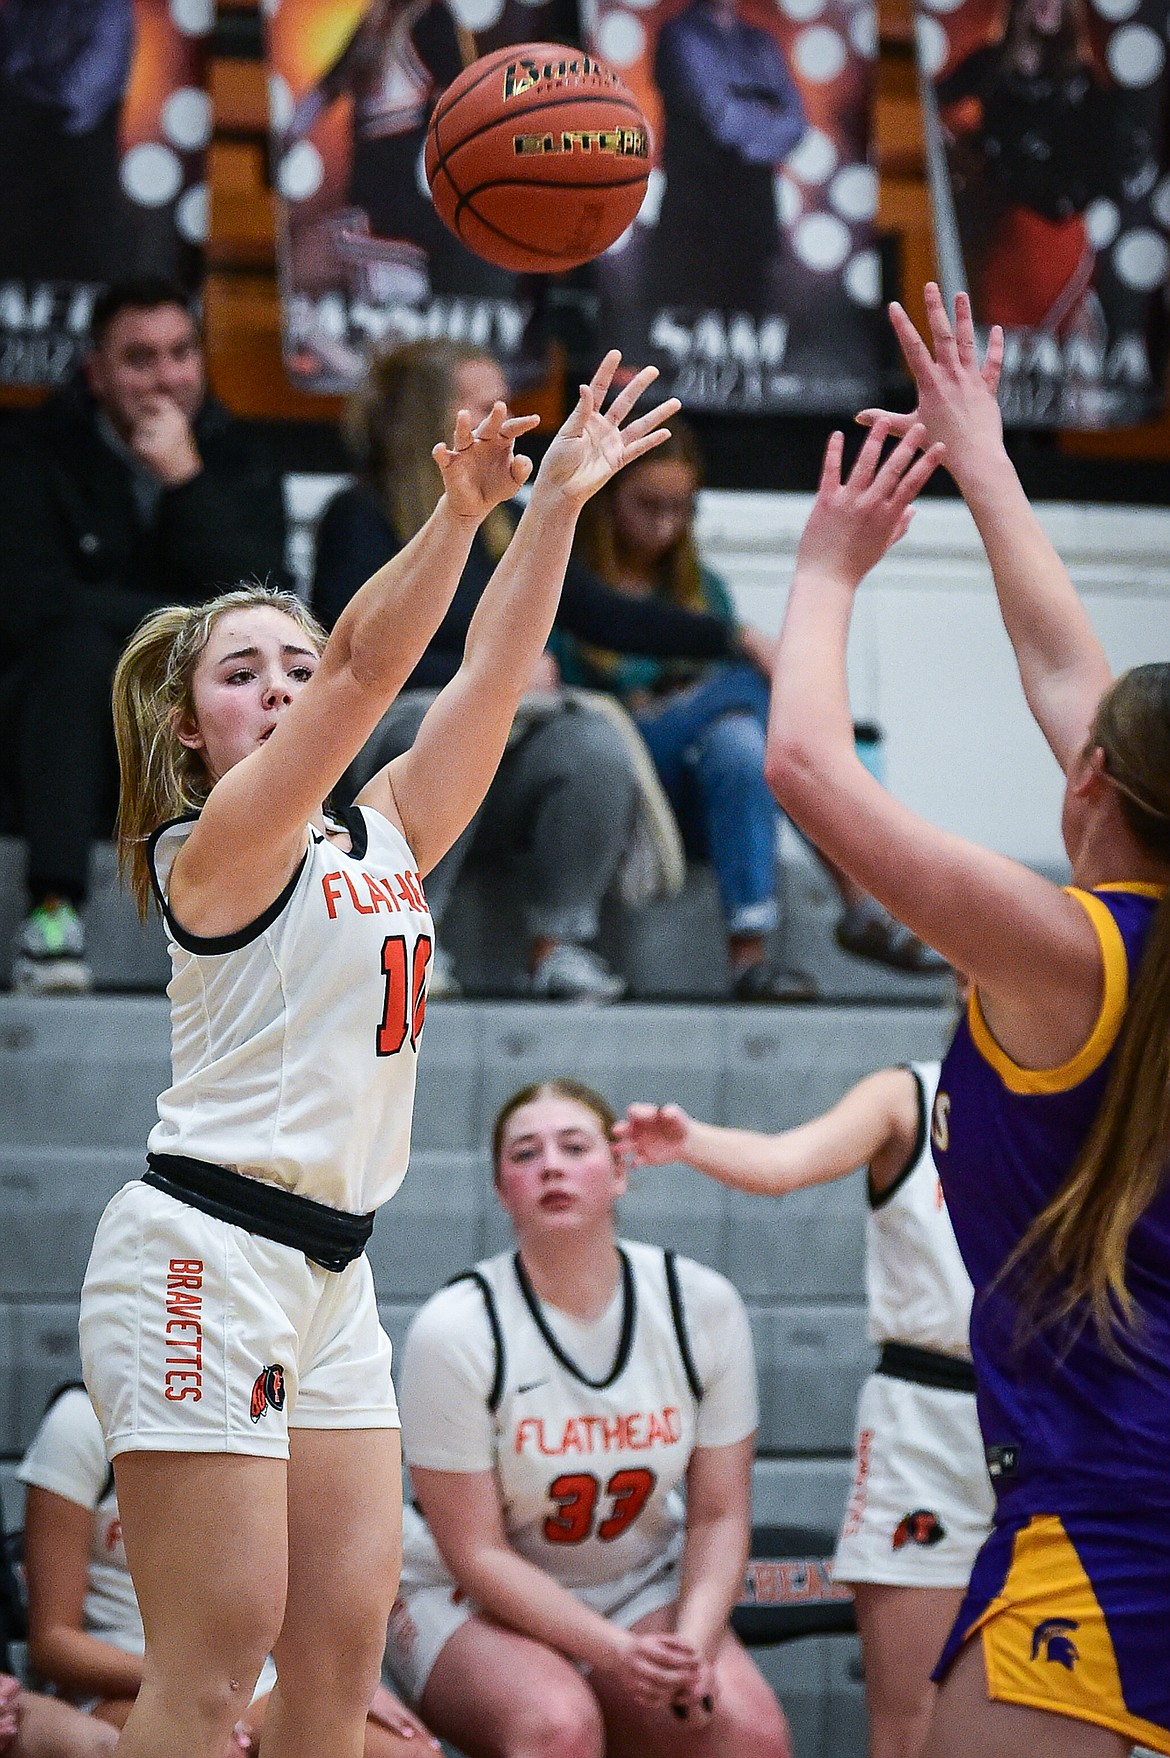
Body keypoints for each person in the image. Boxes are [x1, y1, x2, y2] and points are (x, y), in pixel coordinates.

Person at [77, 347, 677, 1758]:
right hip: (200, 1257)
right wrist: (455, 514)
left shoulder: (388, 826)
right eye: (243, 673)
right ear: (190, 725)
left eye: (293, 660)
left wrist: (552, 512)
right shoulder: (208, 849)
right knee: (213, 1676)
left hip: (331, 1271)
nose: (283, 686)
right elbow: (367, 661)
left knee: (339, 1675)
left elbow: (489, 666)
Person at [765, 282, 1170, 1755]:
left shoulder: (1068, 951)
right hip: (1091, 1484)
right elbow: (1077, 680)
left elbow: (807, 766)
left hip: (1117, 1507)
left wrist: (826, 566)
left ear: (1089, 791)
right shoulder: (1122, 908)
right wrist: (981, 458)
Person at [312, 339, 774, 1002]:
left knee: (592, 741)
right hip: (398, 744)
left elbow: (606, 614)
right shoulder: (360, 514)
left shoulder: (510, 520)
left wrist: (736, 635)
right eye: (481, 404)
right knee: (447, 720)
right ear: (427, 418)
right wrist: (484, 676)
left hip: (500, 757)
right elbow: (355, 653)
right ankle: (404, 932)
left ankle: (559, 945)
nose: (503, 416)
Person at [384, 1077, 792, 1758]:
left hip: (632, 1582)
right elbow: (475, 1551)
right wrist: (616, 1653)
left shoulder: (701, 1306)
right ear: (499, 1188)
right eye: (524, 1153)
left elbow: (720, 1515)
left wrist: (688, 1646)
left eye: (575, 1146)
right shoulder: (453, 1329)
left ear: (621, 1171)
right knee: (557, 1729)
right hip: (463, 1591)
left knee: (750, 1733)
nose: (550, 1165)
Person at [617, 1052, 995, 1758]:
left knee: (1062, 1718)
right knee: (911, 1721)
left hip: (1066, 1418)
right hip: (927, 1422)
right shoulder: (906, 1095)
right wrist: (691, 1141)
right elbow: (785, 1162)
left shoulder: (1113, 1093)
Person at [564, 418, 949, 998]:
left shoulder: (701, 588)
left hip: (705, 794)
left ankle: (750, 960)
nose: (664, 526)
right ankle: (862, 896)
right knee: (751, 687)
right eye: (646, 505)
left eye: (680, 509)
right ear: (606, 498)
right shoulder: (572, 581)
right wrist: (746, 654)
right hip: (620, 784)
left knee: (741, 742)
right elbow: (575, 710)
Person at [0, 276, 288, 996]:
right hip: (58, 706)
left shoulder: (238, 459)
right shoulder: (34, 453)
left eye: (181, 353)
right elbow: (32, 604)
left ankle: (272, 920)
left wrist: (186, 481)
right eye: (141, 359)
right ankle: (54, 912)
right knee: (70, 651)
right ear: (96, 373)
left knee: (270, 676)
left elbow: (265, 608)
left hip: (189, 701)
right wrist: (179, 623)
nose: (167, 377)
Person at [19, 1385, 441, 1758]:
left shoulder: (275, 1403)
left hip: (253, 1673)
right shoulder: (83, 1419)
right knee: (212, 1747)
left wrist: (337, 1684)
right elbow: (53, 1642)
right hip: (125, 1677)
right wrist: (205, 1687)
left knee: (407, 1750)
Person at [651, 0, 805, 315]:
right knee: (690, 319)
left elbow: (795, 122)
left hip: (753, 207)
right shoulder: (680, 35)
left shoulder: (760, 41)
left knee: (752, 309)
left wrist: (749, 127)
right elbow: (716, 114)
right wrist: (763, 115)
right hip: (696, 206)